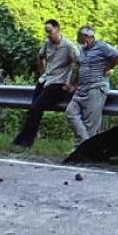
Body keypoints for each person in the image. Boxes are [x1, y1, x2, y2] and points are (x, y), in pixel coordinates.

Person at [12, 19, 79, 148]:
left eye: (50, 31)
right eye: (46, 32)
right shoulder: (47, 44)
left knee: (37, 107)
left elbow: (78, 63)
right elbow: (40, 56)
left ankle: (26, 141)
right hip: (45, 80)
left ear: (57, 29)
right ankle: (22, 139)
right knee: (33, 109)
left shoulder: (69, 46)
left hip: (58, 83)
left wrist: (72, 83)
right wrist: (42, 72)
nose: (48, 34)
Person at [65, 25, 118, 145]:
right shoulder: (82, 50)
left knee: (90, 123)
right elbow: (77, 67)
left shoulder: (101, 46)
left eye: (80, 38)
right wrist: (72, 83)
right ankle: (85, 145)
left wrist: (108, 67)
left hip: (95, 88)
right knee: (70, 112)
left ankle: (83, 149)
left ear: (87, 37)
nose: (79, 40)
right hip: (81, 89)